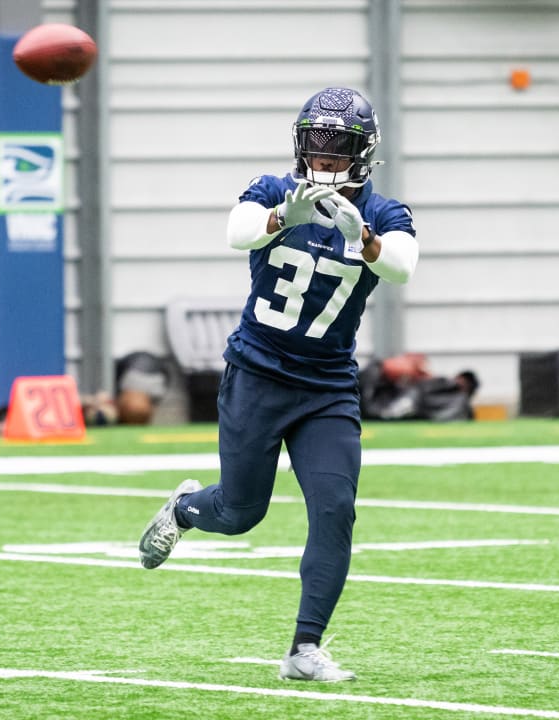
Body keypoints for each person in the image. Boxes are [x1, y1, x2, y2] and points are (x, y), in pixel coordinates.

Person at [137, 87, 418, 682]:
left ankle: (304, 649)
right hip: (258, 374)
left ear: (362, 154)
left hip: (327, 387)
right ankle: (185, 509)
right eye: (314, 143)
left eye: (337, 147)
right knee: (241, 513)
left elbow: (401, 265)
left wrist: (362, 237)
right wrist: (278, 219)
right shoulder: (273, 190)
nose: (323, 159)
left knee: (335, 510)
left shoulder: (386, 212)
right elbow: (238, 231)